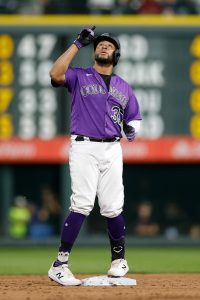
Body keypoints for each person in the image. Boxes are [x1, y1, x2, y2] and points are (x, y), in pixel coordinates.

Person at [48, 26, 142, 286]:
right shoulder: (80, 76)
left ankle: (118, 261)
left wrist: (132, 127)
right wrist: (78, 43)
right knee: (82, 204)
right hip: (84, 146)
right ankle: (59, 265)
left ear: (116, 53)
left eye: (109, 44)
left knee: (113, 206)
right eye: (100, 43)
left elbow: (133, 117)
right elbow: (55, 74)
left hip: (112, 148)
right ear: (93, 52)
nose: (103, 46)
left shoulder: (124, 86)